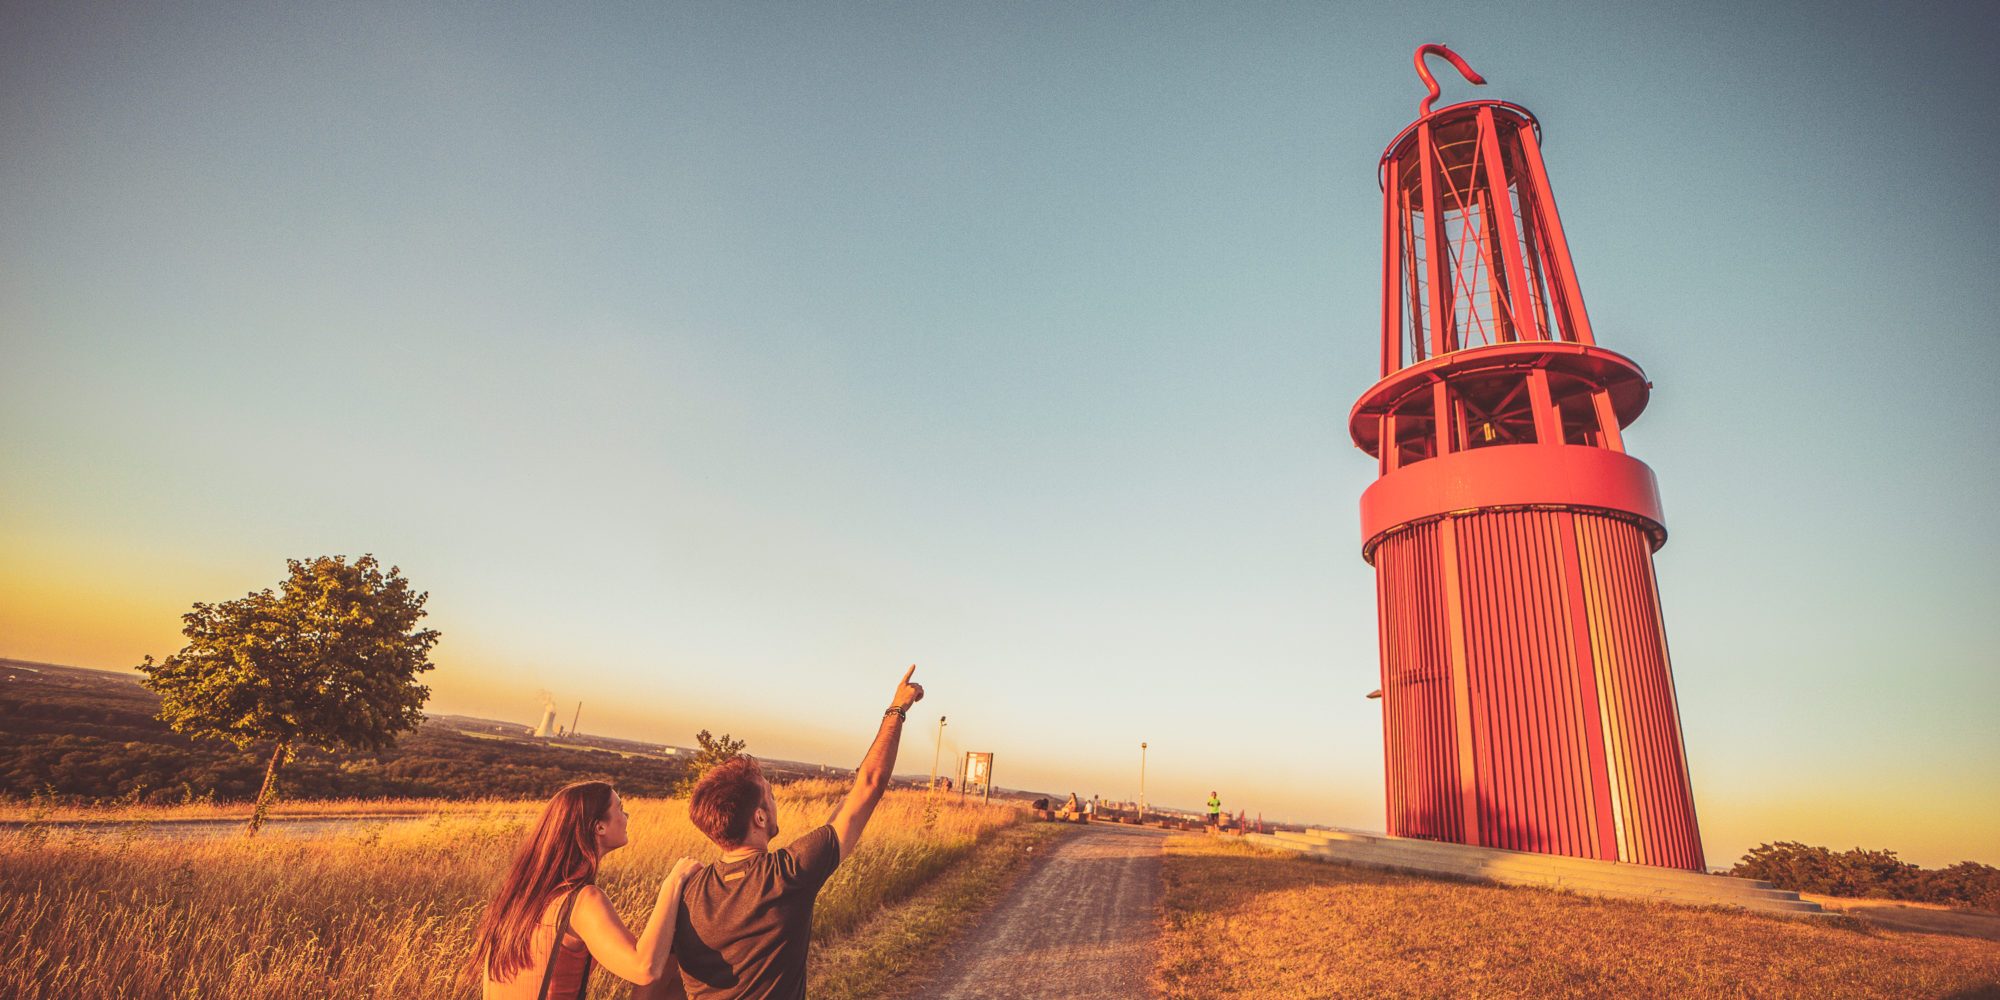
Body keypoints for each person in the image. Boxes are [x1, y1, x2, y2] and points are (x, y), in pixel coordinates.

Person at [661, 665, 925, 1000]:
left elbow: (662, 980)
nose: (775, 800)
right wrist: (897, 709)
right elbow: (869, 785)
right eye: (769, 794)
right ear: (759, 817)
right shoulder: (787, 874)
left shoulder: (685, 890)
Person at [471, 781, 699, 999]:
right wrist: (673, 883)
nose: (626, 816)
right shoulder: (582, 900)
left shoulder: (521, 895)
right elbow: (644, 969)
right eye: (620, 809)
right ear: (599, 826)